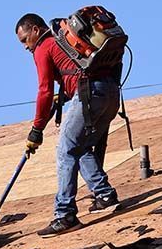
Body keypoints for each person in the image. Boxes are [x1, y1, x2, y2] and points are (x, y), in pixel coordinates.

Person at [15, 12, 121, 237]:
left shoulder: (44, 46)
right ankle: (104, 195)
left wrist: (36, 130)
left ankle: (65, 215)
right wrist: (64, 94)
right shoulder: (61, 42)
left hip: (88, 95)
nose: (25, 47)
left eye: (25, 40)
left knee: (65, 151)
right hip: (110, 93)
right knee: (79, 147)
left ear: (35, 29)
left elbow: (44, 91)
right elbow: (72, 71)